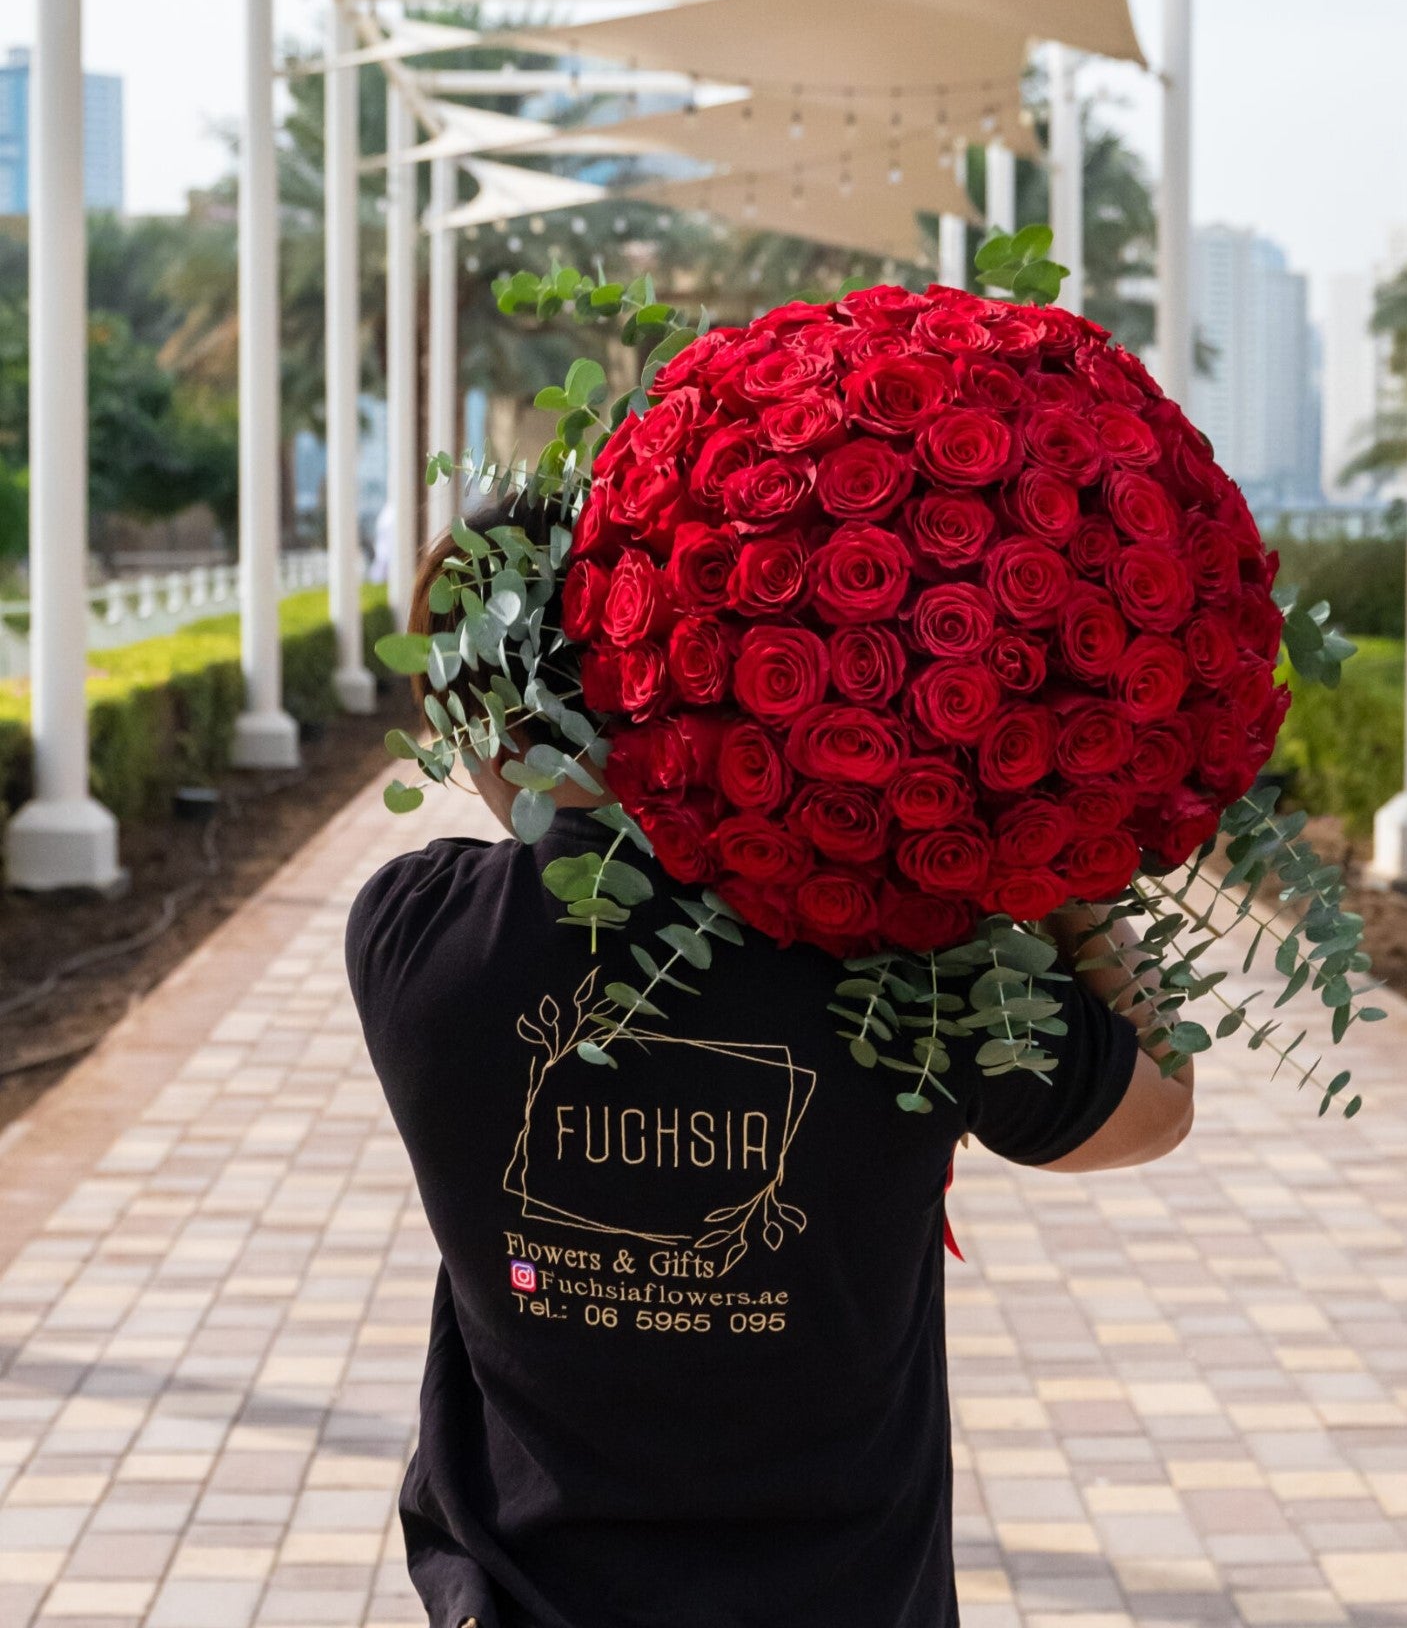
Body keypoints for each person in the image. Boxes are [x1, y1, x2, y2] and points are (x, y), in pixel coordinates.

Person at [347, 507, 1194, 1628]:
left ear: (497, 726)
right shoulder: (909, 945)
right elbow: (1155, 1106)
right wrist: (1049, 853)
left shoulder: (412, 940)